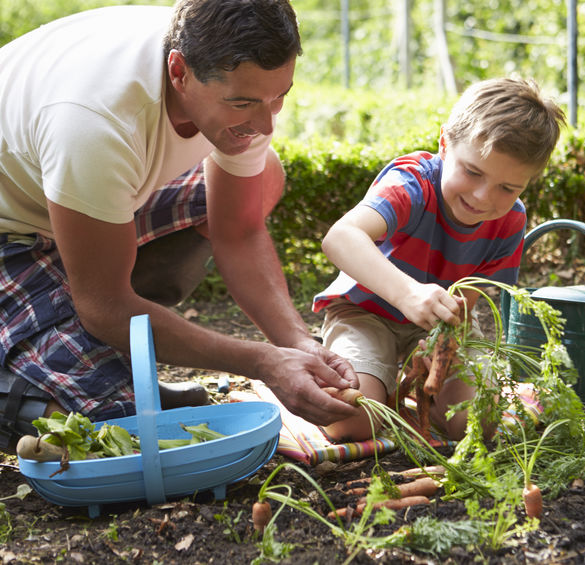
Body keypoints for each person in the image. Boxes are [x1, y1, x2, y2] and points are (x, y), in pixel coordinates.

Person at [0, 0, 359, 454]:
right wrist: (264, 362)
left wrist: (297, 343)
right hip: (14, 228)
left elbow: (239, 231)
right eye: (243, 102)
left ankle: (106, 341)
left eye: (279, 96)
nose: (266, 121)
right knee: (118, 427)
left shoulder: (240, 81)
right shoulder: (96, 123)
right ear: (179, 72)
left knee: (263, 175)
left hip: (80, 198)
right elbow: (103, 304)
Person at [312, 77, 566, 442]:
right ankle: (373, 384)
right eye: (473, 172)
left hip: (440, 325)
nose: (482, 197)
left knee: (475, 425)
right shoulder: (411, 184)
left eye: (508, 188)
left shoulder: (511, 221)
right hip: (365, 312)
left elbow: (467, 303)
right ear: (444, 143)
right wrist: (407, 295)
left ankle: (401, 391)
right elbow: (340, 238)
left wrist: (441, 343)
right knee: (350, 421)